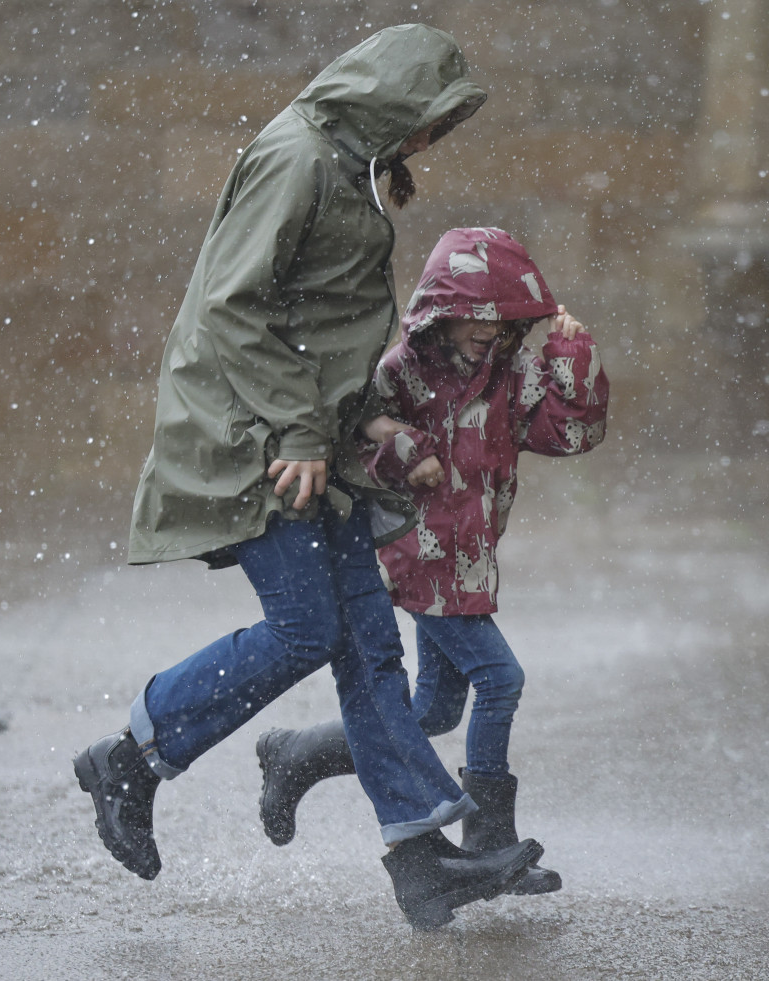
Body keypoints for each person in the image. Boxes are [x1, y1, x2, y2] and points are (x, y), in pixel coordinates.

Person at [73, 28, 545, 931]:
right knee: (307, 628)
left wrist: (363, 415)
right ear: (388, 100)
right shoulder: (297, 157)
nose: (422, 146)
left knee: (368, 643)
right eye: (422, 124)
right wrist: (298, 426)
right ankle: (131, 754)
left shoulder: (345, 163)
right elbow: (235, 306)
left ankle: (420, 858)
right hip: (253, 441)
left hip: (309, 443)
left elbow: (318, 319)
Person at [256, 228, 609, 896]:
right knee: (499, 678)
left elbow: (570, 433)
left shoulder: (509, 378)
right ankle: (490, 841)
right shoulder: (401, 372)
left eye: (500, 318)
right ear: (442, 310)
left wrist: (571, 356)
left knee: (435, 709)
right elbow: (351, 443)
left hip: (466, 563)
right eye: (473, 314)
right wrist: (403, 451)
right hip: (414, 554)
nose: (487, 330)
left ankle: (296, 752)